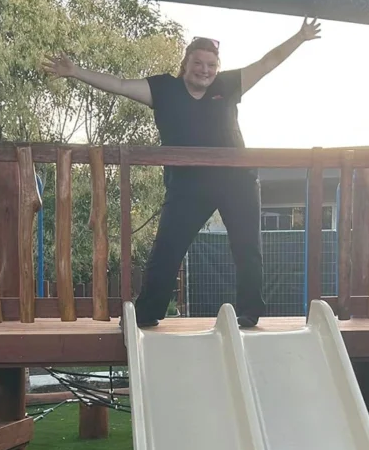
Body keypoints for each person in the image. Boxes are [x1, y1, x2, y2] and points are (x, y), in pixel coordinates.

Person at [43, 18, 321, 328]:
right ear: (185, 64)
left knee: (247, 248)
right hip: (188, 185)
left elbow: (267, 62)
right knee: (168, 246)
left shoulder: (227, 86)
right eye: (198, 63)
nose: (205, 69)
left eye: (211, 64)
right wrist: (75, 71)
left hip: (236, 180)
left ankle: (250, 312)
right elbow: (120, 85)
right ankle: (148, 311)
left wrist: (300, 37)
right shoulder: (164, 89)